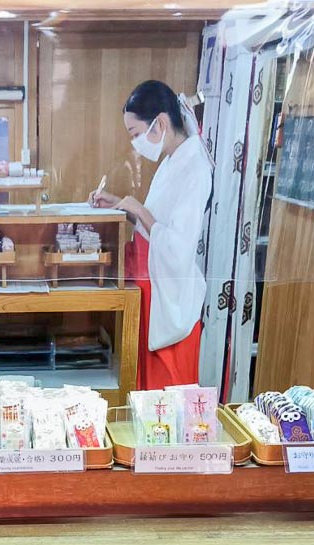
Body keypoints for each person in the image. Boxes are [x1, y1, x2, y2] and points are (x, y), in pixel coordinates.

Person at [90, 79, 212, 390]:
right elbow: (159, 223)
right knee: (147, 394)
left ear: (159, 123)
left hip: (167, 295)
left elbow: (177, 249)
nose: (135, 143)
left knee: (167, 398)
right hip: (150, 286)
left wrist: (139, 210)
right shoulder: (173, 159)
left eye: (135, 133)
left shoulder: (195, 167)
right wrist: (119, 204)